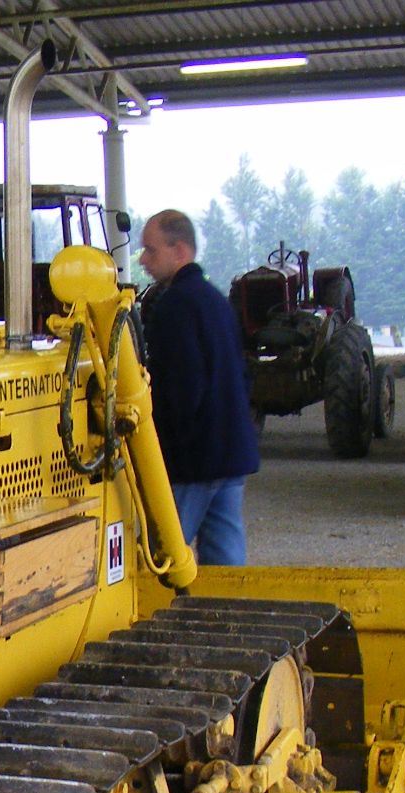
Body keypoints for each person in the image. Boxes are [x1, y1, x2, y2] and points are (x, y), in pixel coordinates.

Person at [136, 209, 259, 566]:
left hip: (195, 459)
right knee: (227, 565)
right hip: (231, 451)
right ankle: (231, 618)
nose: (143, 260)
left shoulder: (175, 306)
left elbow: (181, 389)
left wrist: (161, 452)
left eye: (151, 250)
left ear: (180, 251)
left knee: (159, 560)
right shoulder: (216, 300)